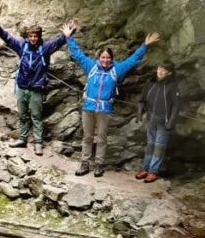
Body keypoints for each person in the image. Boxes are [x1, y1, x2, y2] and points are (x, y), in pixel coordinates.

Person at [62, 20, 161, 177]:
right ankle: (84, 164)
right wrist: (68, 37)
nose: (105, 60)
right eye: (103, 57)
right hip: (88, 107)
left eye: (108, 58)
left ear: (111, 58)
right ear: (99, 57)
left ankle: (99, 165)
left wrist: (145, 45)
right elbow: (77, 54)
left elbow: (133, 60)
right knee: (87, 137)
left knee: (101, 138)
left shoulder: (117, 69)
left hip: (105, 109)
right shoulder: (91, 66)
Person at [0, 11, 66, 155]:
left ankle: (38, 143)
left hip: (36, 88)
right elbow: (7, 37)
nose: (33, 39)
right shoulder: (21, 46)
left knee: (36, 116)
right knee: (23, 115)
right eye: (30, 36)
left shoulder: (45, 48)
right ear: (27, 36)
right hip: (22, 86)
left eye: (35, 36)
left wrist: (69, 32)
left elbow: (59, 41)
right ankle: (22, 139)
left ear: (39, 36)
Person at [136, 62, 180, 183]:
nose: (160, 71)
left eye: (164, 70)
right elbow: (141, 100)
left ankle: (153, 171)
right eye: (159, 68)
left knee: (159, 147)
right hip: (151, 119)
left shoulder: (172, 86)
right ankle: (145, 169)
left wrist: (171, 122)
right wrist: (139, 114)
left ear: (169, 73)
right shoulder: (150, 83)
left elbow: (176, 106)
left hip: (163, 122)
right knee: (150, 144)